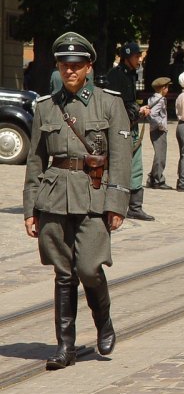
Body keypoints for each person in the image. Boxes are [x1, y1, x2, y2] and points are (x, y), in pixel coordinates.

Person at [23, 32, 131, 370]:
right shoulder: (44, 106)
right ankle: (65, 347)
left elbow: (122, 158)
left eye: (77, 65)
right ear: (58, 66)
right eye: (65, 65)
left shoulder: (109, 103)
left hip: (95, 195)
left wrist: (117, 203)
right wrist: (30, 208)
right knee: (63, 273)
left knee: (88, 268)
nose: (70, 70)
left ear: (88, 67)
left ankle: (104, 321)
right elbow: (36, 161)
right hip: (54, 197)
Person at [106, 42, 154, 221]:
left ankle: (135, 206)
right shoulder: (116, 76)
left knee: (135, 166)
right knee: (118, 166)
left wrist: (139, 109)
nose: (139, 59)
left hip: (130, 126)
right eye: (136, 56)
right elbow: (117, 106)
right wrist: (138, 110)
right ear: (127, 57)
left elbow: (130, 102)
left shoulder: (131, 75)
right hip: (119, 129)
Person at [146, 77, 173, 190]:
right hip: (158, 131)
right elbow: (153, 115)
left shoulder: (152, 98)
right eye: (167, 87)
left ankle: (153, 177)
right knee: (160, 156)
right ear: (163, 88)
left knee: (159, 154)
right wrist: (161, 125)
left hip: (154, 129)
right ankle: (157, 179)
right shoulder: (160, 100)